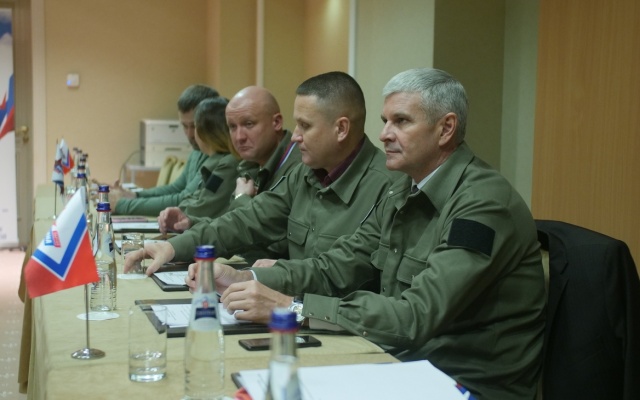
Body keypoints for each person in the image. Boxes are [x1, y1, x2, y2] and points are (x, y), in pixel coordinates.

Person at [203, 68, 546, 399]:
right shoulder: (403, 189)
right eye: (385, 121)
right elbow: (338, 266)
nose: (384, 134)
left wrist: (292, 308)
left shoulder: (482, 205)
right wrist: (247, 277)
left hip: (462, 383)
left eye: (401, 121)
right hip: (401, 362)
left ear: (445, 129)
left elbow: (415, 316)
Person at [126, 71, 401, 288]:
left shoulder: (387, 186)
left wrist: (256, 277)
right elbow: (246, 221)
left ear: (341, 129)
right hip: (288, 305)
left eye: (305, 126)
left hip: (333, 323)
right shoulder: (305, 173)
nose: (296, 136)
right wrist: (172, 247)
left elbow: (340, 269)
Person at [157, 86, 301, 233]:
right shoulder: (249, 164)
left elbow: (253, 230)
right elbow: (228, 222)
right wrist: (190, 223)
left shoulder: (231, 164)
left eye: (249, 124)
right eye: (232, 127)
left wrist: (241, 198)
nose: (239, 137)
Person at [109, 84, 219, 215]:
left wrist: (122, 205)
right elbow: (176, 188)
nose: (190, 134)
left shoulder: (218, 157)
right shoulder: (197, 151)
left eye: (194, 126)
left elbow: (184, 199)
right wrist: (134, 195)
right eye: (184, 126)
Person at [167, 96, 241, 220]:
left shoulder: (226, 166)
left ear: (203, 132)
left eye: (195, 126)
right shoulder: (217, 163)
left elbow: (202, 208)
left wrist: (180, 210)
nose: (191, 134)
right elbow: (192, 198)